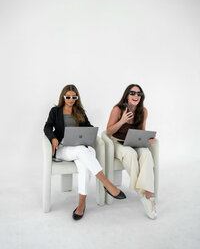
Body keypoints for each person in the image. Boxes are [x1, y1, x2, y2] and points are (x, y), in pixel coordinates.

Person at [44, 84, 126, 220]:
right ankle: (106, 183)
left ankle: (81, 205)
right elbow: (47, 127)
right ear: (63, 97)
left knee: (84, 165)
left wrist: (89, 135)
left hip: (78, 148)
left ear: (77, 98)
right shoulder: (55, 111)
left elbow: (89, 127)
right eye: (68, 96)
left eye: (73, 97)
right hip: (62, 149)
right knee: (83, 152)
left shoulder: (80, 111)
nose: (71, 99)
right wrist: (52, 138)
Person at [106, 84, 157, 219]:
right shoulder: (117, 109)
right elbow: (109, 131)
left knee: (146, 154)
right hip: (117, 142)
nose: (136, 96)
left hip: (134, 142)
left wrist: (148, 139)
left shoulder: (143, 111)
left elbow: (142, 131)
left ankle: (148, 194)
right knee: (130, 154)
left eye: (139, 94)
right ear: (127, 95)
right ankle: (145, 195)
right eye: (132, 93)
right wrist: (122, 120)